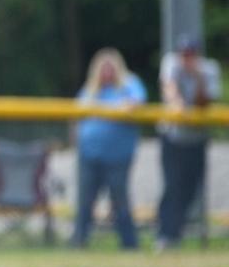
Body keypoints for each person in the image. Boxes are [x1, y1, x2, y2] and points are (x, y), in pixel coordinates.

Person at [70, 48, 146, 249]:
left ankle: (129, 245)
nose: (107, 72)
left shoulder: (129, 84)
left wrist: (114, 108)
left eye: (110, 68)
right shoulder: (90, 89)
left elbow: (136, 102)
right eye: (103, 68)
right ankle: (78, 242)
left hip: (118, 156)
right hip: (89, 154)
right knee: (85, 201)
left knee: (120, 201)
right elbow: (76, 117)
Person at [155, 33, 222, 249]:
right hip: (172, 137)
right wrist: (177, 103)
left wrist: (197, 77)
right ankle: (166, 235)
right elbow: (169, 88)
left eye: (191, 54)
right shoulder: (171, 63)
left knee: (192, 190)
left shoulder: (209, 69)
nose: (187, 58)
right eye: (184, 53)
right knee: (172, 186)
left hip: (196, 139)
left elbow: (205, 103)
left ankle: (178, 234)